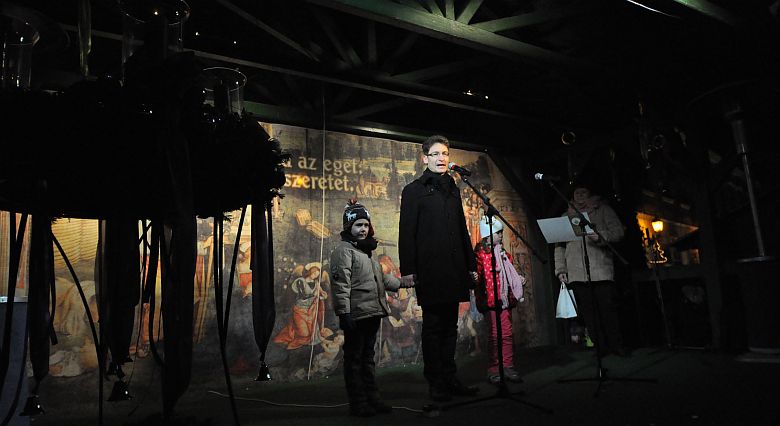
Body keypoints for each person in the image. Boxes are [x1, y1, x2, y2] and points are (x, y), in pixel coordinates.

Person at [398, 134, 480, 402]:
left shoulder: (453, 188)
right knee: (433, 326)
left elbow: (461, 229)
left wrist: (470, 264)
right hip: (430, 269)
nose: (441, 158)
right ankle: (435, 383)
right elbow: (406, 232)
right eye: (435, 154)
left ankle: (450, 378)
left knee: (450, 327)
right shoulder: (413, 190)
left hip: (454, 267)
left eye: (444, 153)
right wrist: (408, 270)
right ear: (425, 158)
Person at [330, 199, 413, 417]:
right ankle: (358, 403)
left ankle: (372, 399)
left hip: (372, 313)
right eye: (358, 225)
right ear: (349, 227)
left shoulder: (368, 253)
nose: (363, 229)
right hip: (356, 315)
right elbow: (340, 285)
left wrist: (403, 282)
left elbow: (381, 279)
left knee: (367, 358)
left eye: (366, 225)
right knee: (355, 360)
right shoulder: (344, 252)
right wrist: (344, 313)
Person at [554, 184, 627, 356]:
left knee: (608, 309)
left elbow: (618, 231)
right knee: (588, 312)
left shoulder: (603, 210)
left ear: (590, 193)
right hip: (576, 271)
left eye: (583, 192)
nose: (580, 195)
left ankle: (617, 345)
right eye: (576, 192)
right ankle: (600, 347)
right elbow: (559, 246)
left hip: (600, 268)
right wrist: (561, 269)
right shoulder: (566, 216)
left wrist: (600, 235)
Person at [473, 216, 525, 384]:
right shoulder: (480, 256)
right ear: (487, 236)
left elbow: (509, 273)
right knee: (495, 335)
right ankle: (494, 368)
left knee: (507, 333)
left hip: (504, 301)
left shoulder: (504, 254)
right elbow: (477, 276)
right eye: (498, 233)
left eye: (501, 232)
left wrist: (517, 279)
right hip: (490, 301)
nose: (501, 235)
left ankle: (508, 365)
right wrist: (474, 278)